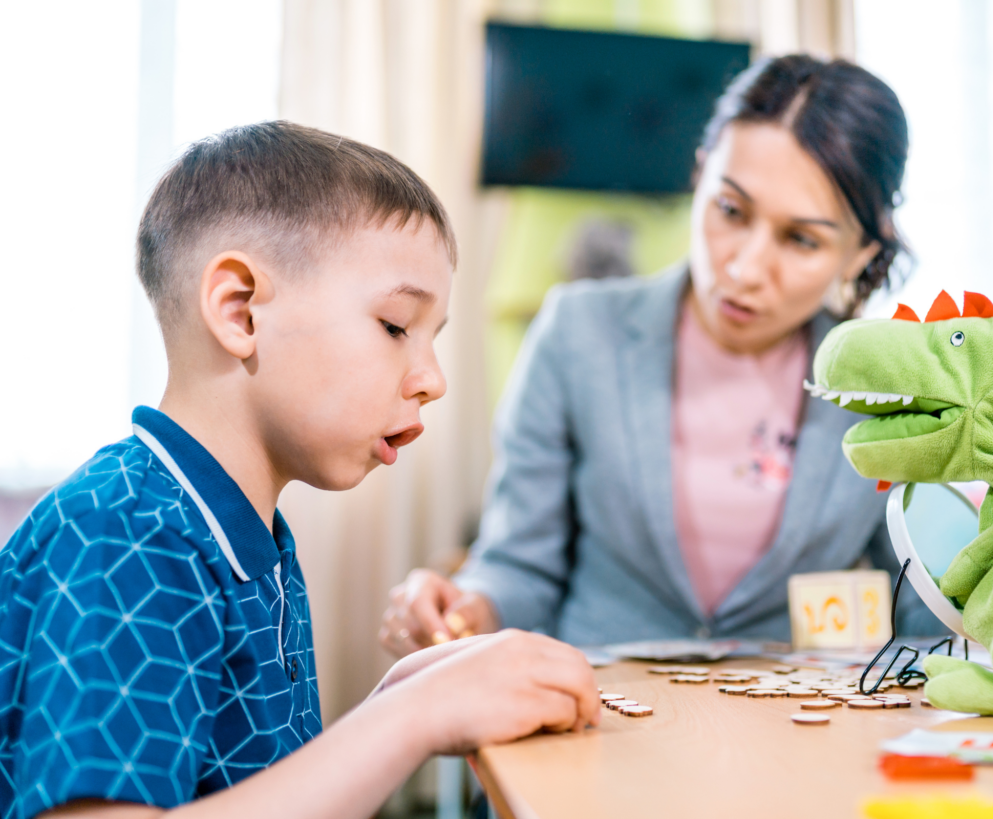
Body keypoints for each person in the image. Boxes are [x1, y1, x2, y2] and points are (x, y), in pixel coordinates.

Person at [0, 122, 600, 819]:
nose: (433, 379)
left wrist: (396, 702)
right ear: (240, 311)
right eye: (396, 326)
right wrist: (411, 719)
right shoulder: (126, 533)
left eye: (433, 340)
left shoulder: (247, 534)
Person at [381, 55, 944, 656]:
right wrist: (466, 609)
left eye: (801, 238)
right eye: (731, 210)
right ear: (700, 178)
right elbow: (520, 564)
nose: (745, 268)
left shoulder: (886, 394)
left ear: (862, 253)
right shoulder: (579, 335)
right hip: (597, 716)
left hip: (797, 730)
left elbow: (925, 601)